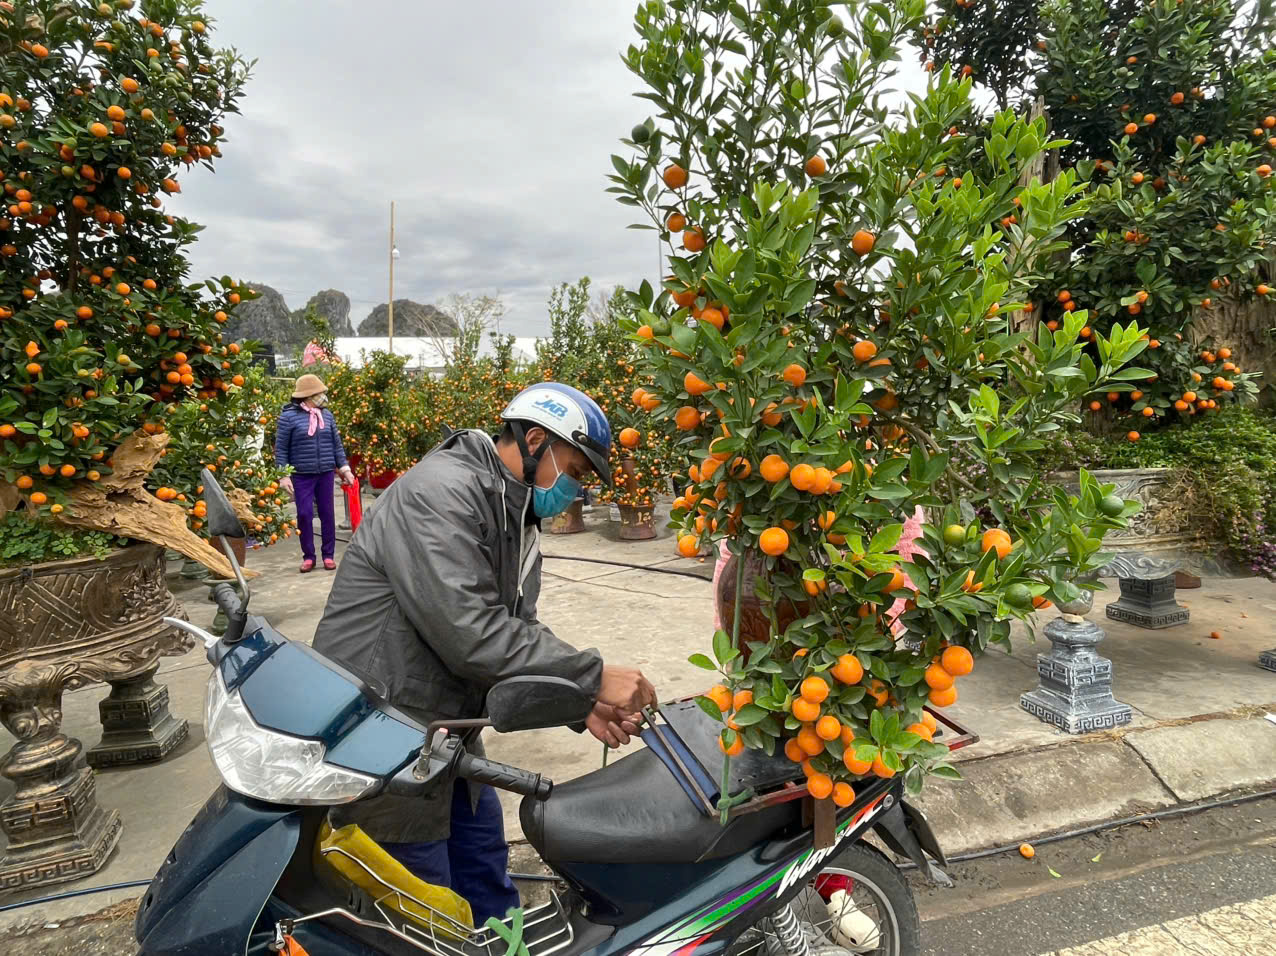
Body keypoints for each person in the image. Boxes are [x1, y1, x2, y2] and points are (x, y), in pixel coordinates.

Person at [311, 382, 656, 924]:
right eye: (576, 468)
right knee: (424, 908)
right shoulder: (439, 494)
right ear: (536, 439)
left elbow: (516, 628)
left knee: (486, 876)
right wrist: (591, 677)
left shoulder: (512, 510)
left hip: (446, 732)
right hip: (384, 733)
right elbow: (470, 632)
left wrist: (576, 701)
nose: (577, 488)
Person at [274, 374, 355, 573]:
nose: (323, 397)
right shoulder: (288, 417)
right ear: (309, 395)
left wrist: (344, 469)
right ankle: (309, 556)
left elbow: (336, 446)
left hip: (326, 472)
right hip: (302, 474)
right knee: (304, 514)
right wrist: (283, 475)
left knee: (328, 514)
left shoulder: (327, 415)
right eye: (320, 393)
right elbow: (281, 449)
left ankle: (328, 555)